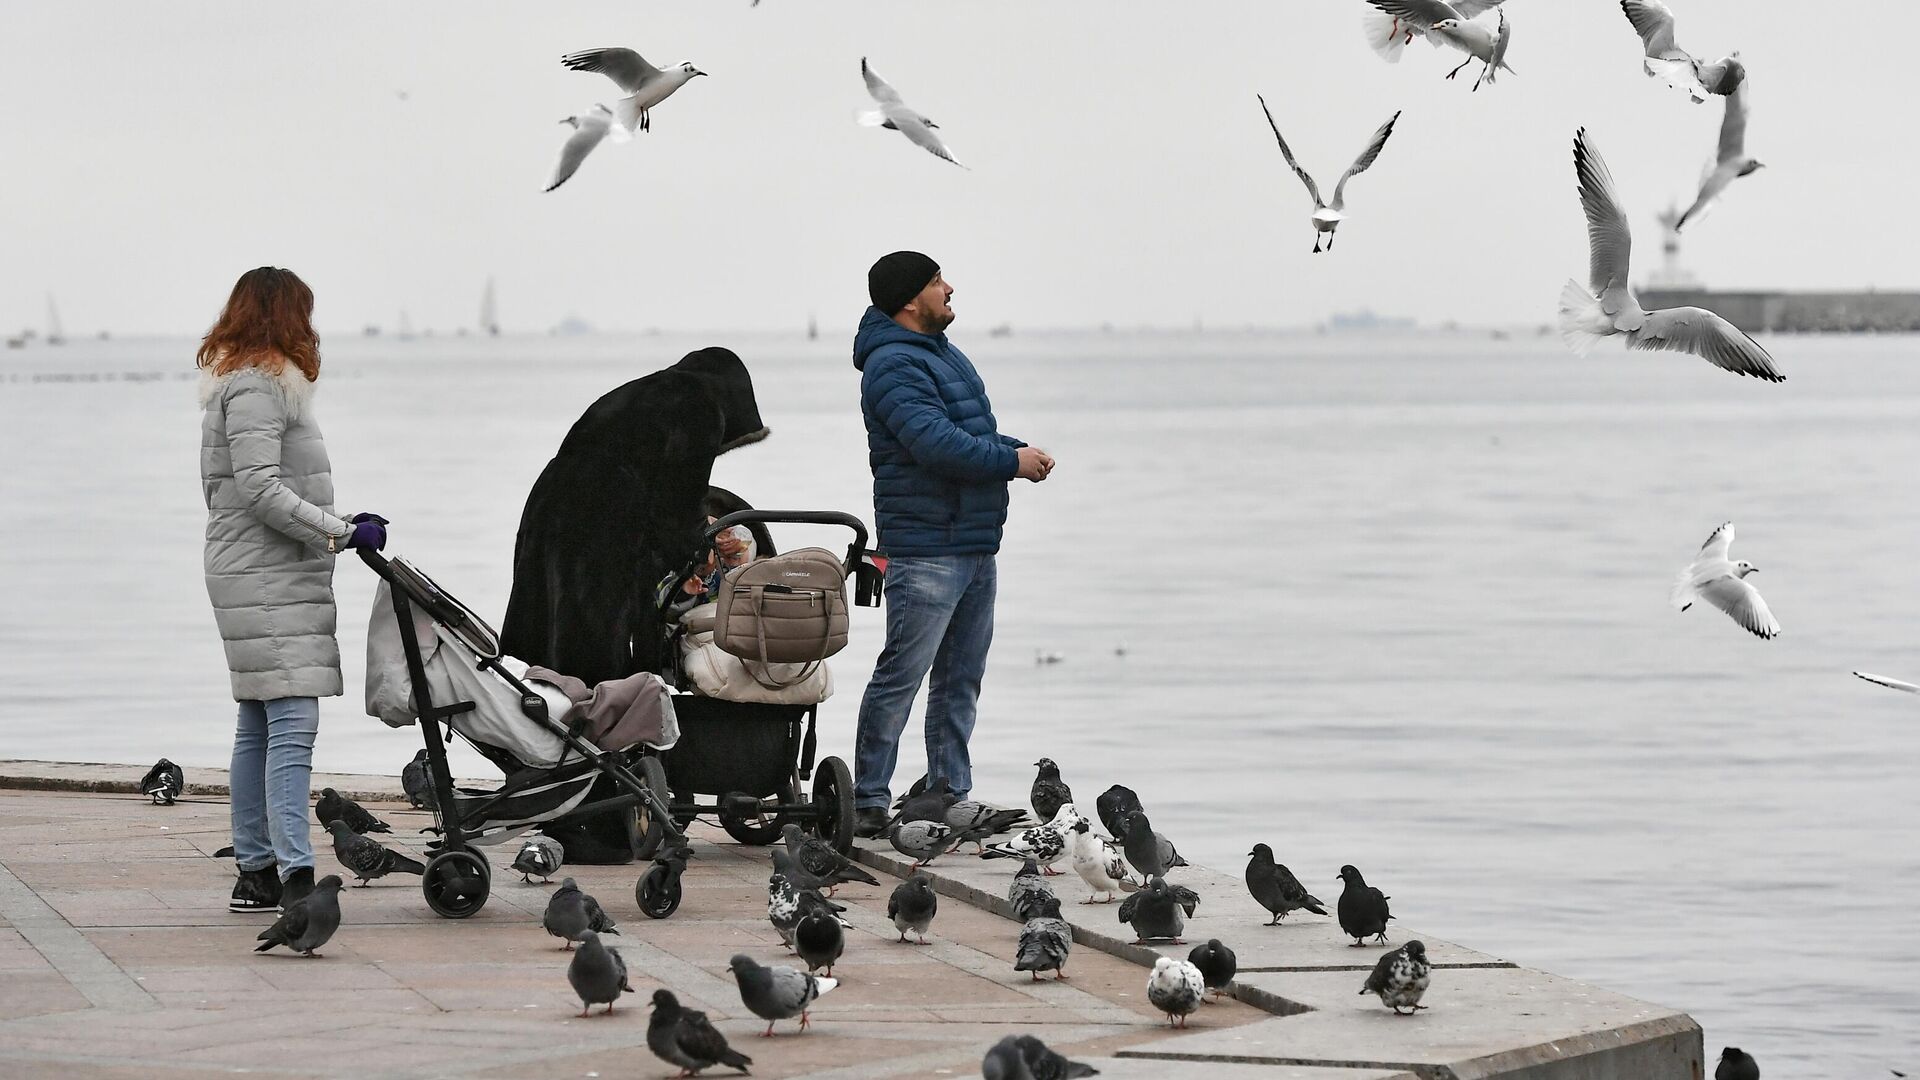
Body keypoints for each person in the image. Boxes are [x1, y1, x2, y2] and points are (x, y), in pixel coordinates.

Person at [197, 267, 387, 913]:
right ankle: (295, 873)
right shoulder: (257, 385)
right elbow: (258, 487)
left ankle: (255, 873)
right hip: (263, 570)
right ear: (284, 317)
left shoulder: (248, 382)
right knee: (292, 721)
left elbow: (254, 488)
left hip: (260, 565)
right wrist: (339, 533)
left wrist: (339, 527)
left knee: (260, 719)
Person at [850, 251, 1054, 837]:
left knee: (960, 678)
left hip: (972, 542)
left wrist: (1015, 449)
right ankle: (868, 797)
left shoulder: (938, 355)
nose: (950, 288)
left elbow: (971, 436)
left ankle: (947, 789)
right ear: (910, 299)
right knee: (903, 675)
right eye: (938, 281)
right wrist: (1011, 463)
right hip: (926, 547)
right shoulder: (892, 366)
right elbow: (935, 445)